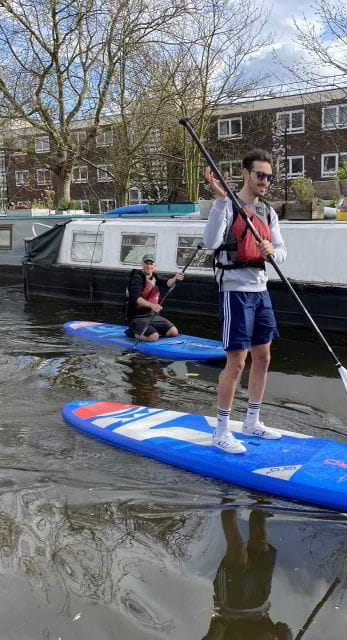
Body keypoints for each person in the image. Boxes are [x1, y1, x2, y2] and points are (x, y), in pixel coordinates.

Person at [203, 149, 286, 454]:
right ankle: (221, 431)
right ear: (245, 173)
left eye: (269, 176)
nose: (265, 181)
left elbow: (282, 251)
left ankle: (252, 421)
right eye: (260, 175)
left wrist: (272, 251)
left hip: (260, 291)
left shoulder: (268, 212)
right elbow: (210, 243)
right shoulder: (227, 206)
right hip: (235, 291)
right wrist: (222, 200)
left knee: (263, 357)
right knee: (236, 364)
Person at [202, 508, 292, 640]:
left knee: (238, 551)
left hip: (233, 606)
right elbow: (283, 627)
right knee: (261, 543)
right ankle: (260, 506)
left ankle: (229, 504)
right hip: (260, 601)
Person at [124, 254, 184, 342]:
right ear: (142, 264)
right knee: (153, 337)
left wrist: (175, 278)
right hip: (136, 317)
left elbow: (167, 283)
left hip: (150, 315)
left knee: (173, 332)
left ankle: (149, 330)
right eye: (146, 263)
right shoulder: (137, 278)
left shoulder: (154, 277)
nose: (148, 266)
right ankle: (132, 332)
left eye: (151, 264)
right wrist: (152, 305)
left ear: (154, 266)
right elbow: (136, 298)